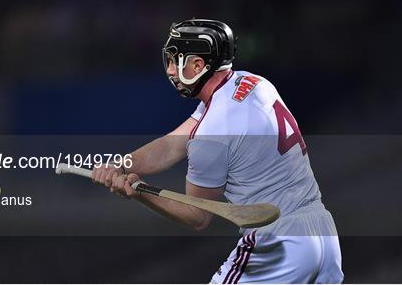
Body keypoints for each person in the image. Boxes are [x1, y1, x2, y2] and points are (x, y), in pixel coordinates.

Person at [92, 19, 344, 283]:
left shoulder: (211, 135)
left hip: (279, 242)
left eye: (175, 61)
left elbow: (197, 215)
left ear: (199, 66)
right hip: (324, 233)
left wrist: (139, 192)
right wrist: (121, 166)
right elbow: (172, 144)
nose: (169, 70)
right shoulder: (252, 83)